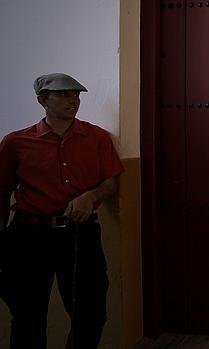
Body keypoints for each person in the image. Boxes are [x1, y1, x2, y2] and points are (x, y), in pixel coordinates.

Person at [0, 73, 124, 348]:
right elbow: (2, 191)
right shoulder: (15, 142)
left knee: (91, 314)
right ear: (43, 100)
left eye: (76, 95)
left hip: (80, 235)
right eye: (65, 94)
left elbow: (110, 182)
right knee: (27, 317)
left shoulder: (97, 138)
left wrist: (91, 195)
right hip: (29, 236)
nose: (74, 100)